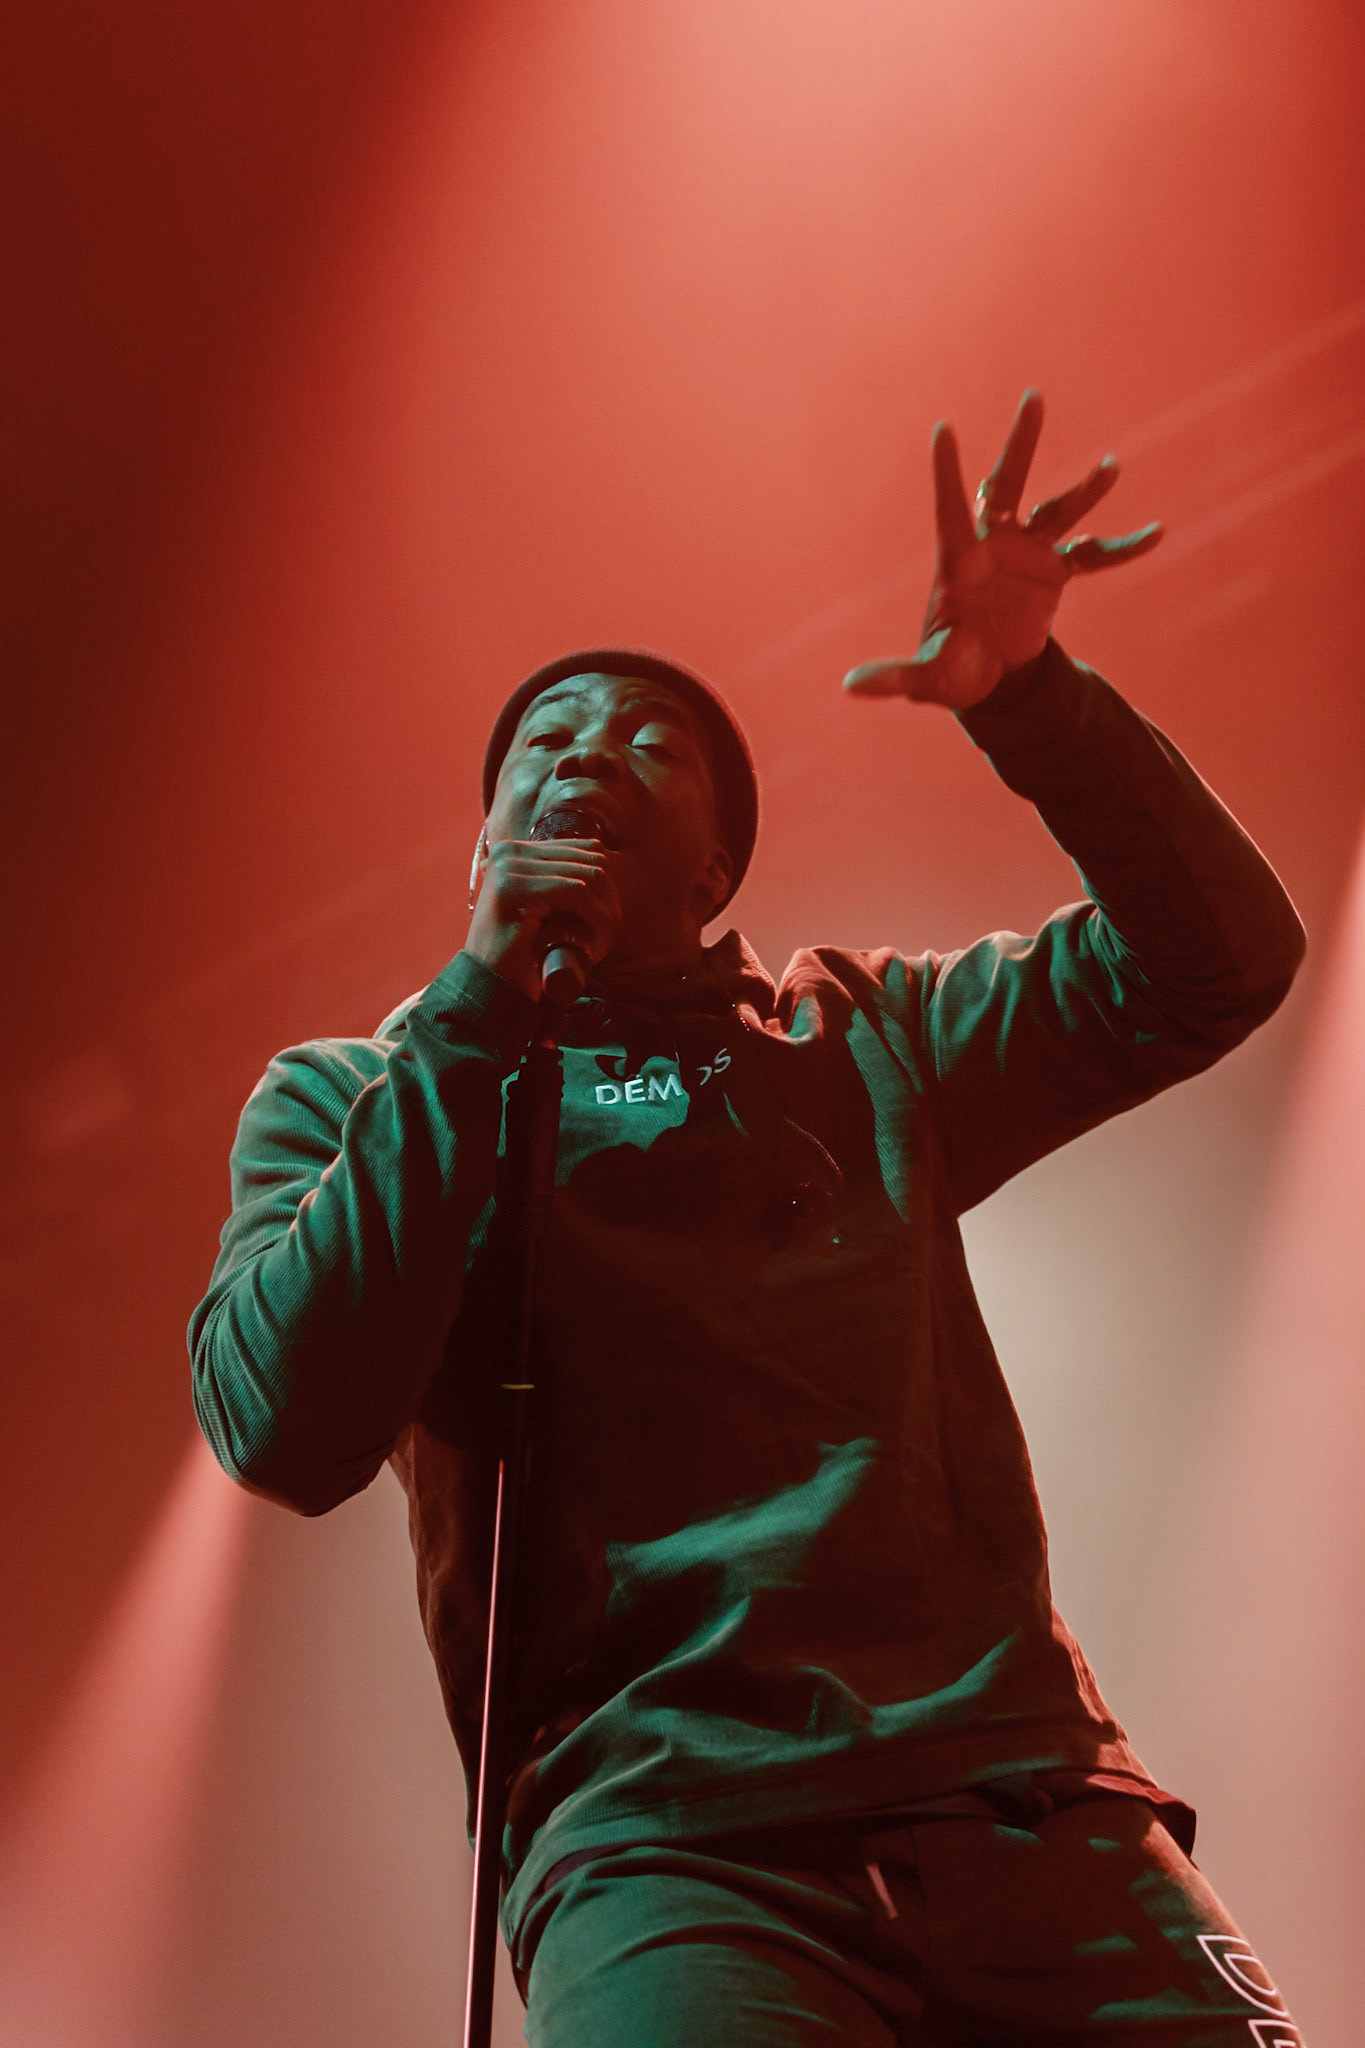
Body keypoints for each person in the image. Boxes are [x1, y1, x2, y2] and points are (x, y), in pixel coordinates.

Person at [190, 393, 1308, 2045]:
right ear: (482, 856)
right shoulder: (360, 1097)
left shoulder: (865, 1037)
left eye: (647, 740)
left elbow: (1218, 965)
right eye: (544, 744)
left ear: (716, 872)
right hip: (666, 1851)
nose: (584, 751)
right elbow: (285, 1427)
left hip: (1029, 1804)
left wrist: (1037, 704)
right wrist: (474, 1024)